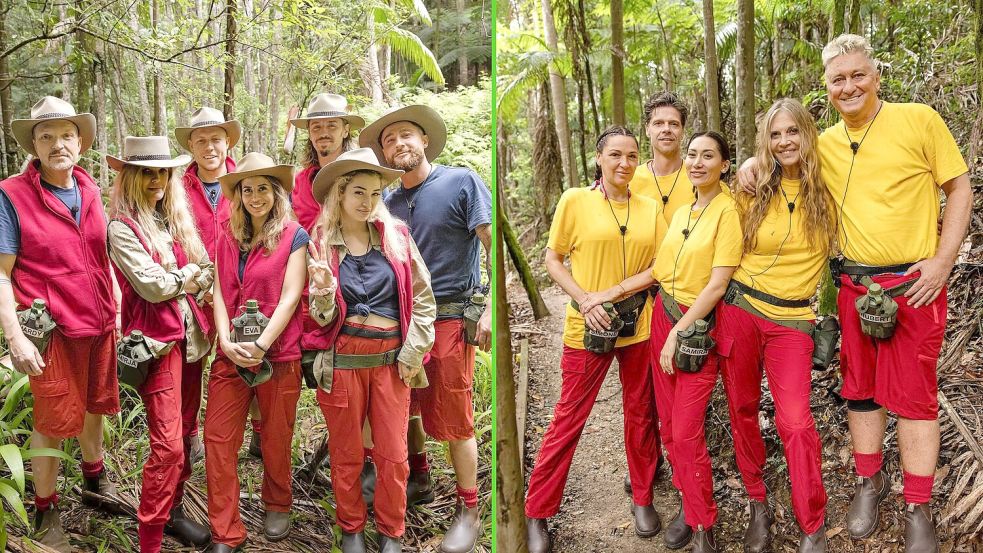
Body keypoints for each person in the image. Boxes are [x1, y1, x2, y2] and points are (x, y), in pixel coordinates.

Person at [736, 35, 972, 552]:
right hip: (852, 285)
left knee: (914, 400)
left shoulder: (918, 120)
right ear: (827, 86)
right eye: (838, 79)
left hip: (914, 283)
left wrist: (943, 259)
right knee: (860, 391)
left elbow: (959, 187)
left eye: (857, 75)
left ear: (875, 75)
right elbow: (779, 160)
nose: (849, 86)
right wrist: (749, 166)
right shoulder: (823, 145)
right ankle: (869, 481)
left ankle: (918, 506)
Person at [523, 126, 662, 553]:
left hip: (637, 324)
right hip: (588, 325)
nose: (624, 163)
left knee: (640, 413)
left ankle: (642, 497)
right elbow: (553, 258)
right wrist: (586, 299)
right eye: (616, 155)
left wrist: (614, 293)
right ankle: (538, 511)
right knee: (569, 416)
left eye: (632, 156)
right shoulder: (575, 200)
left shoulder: (650, 207)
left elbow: (660, 266)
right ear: (599, 158)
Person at [362, 104, 491, 553]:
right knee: (405, 403)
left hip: (453, 316)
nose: (399, 144)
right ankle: (419, 476)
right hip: (402, 320)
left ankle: (468, 509)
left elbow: (491, 244)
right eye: (389, 139)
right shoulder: (389, 201)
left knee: (455, 416)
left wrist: (490, 306)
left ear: (424, 140)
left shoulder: (461, 181)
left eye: (406, 135)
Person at [0, 96, 119, 551]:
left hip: (99, 323)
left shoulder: (90, 189)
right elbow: (2, 273)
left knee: (94, 405)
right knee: (50, 419)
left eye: (66, 135)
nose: (57, 144)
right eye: (46, 137)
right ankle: (46, 506)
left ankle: (95, 479)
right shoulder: (12, 195)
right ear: (33, 144)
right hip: (51, 331)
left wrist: (118, 308)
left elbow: (101, 259)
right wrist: (15, 336)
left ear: (81, 142)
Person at [306, 147, 436, 553]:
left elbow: (424, 300)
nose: (368, 203)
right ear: (340, 194)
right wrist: (324, 291)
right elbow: (320, 320)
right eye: (359, 193)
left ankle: (391, 530)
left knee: (394, 455)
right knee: (346, 455)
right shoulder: (322, 241)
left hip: (392, 364)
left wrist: (411, 355)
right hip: (342, 365)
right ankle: (352, 529)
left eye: (376, 194)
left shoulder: (396, 237)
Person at [720, 99, 835, 553]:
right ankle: (757, 504)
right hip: (741, 311)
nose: (784, 141)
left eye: (792, 132)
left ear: (808, 134)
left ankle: (813, 524)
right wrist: (747, 166)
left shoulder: (830, 188)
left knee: (795, 421)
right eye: (774, 134)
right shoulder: (750, 188)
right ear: (765, 142)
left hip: (793, 322)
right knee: (742, 409)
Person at [105, 136, 213, 553]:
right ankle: (148, 539)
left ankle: (174, 513)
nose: (156, 180)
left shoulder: (176, 219)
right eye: (147, 172)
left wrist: (185, 277)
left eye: (163, 173)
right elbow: (152, 286)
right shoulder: (122, 227)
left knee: (186, 435)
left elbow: (206, 268)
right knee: (167, 446)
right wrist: (186, 278)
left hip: (193, 341)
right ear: (130, 176)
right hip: (157, 346)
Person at [205, 153, 308, 552]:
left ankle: (278, 502)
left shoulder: (293, 235)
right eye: (247, 189)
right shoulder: (227, 235)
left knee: (276, 436)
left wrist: (262, 344)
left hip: (277, 356)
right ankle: (225, 531)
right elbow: (216, 289)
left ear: (276, 192)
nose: (255, 196)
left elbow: (291, 295)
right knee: (218, 438)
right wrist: (225, 341)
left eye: (262, 188)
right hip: (229, 354)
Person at [650, 131, 742, 553]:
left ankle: (705, 525)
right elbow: (660, 271)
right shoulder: (685, 209)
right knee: (669, 428)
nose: (697, 162)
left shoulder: (729, 211)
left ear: (725, 164)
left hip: (694, 331)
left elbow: (717, 284)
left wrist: (677, 332)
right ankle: (689, 508)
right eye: (692, 155)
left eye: (708, 156)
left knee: (686, 432)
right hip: (660, 318)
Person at [174, 106, 242, 462]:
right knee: (191, 363)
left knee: (245, 354)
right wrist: (198, 282)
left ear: (228, 141)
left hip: (241, 287)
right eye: (201, 140)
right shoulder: (176, 185)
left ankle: (256, 435)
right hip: (194, 290)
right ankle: (189, 434)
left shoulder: (246, 178)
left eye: (216, 138)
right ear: (190, 145)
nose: (209, 146)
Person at [290, 93, 364, 230]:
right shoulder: (297, 184)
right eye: (316, 127)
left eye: (332, 126)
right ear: (309, 134)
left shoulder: (365, 176)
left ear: (345, 130)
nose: (323, 133)